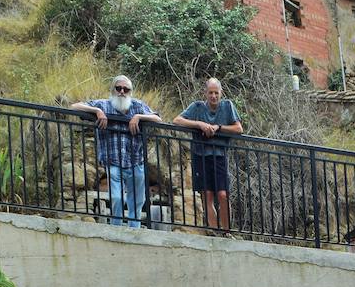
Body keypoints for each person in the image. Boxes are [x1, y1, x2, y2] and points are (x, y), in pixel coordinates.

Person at [72, 75, 162, 228]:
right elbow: (74, 107)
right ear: (113, 90)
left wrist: (138, 117)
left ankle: (134, 229)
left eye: (126, 89)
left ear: (130, 92)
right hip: (113, 161)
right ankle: (116, 227)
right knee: (117, 198)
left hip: (135, 161)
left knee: (138, 201)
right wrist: (97, 111)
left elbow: (158, 119)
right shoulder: (104, 105)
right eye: (118, 88)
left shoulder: (138, 106)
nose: (122, 92)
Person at [173, 78, 243, 232]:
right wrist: (200, 124)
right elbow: (177, 120)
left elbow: (238, 128)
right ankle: (213, 231)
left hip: (219, 155)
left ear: (221, 93)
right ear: (205, 93)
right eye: (210, 93)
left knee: (223, 195)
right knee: (207, 195)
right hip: (201, 154)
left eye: (216, 93)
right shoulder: (197, 107)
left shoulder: (227, 106)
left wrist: (218, 127)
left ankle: (226, 231)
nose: (213, 96)